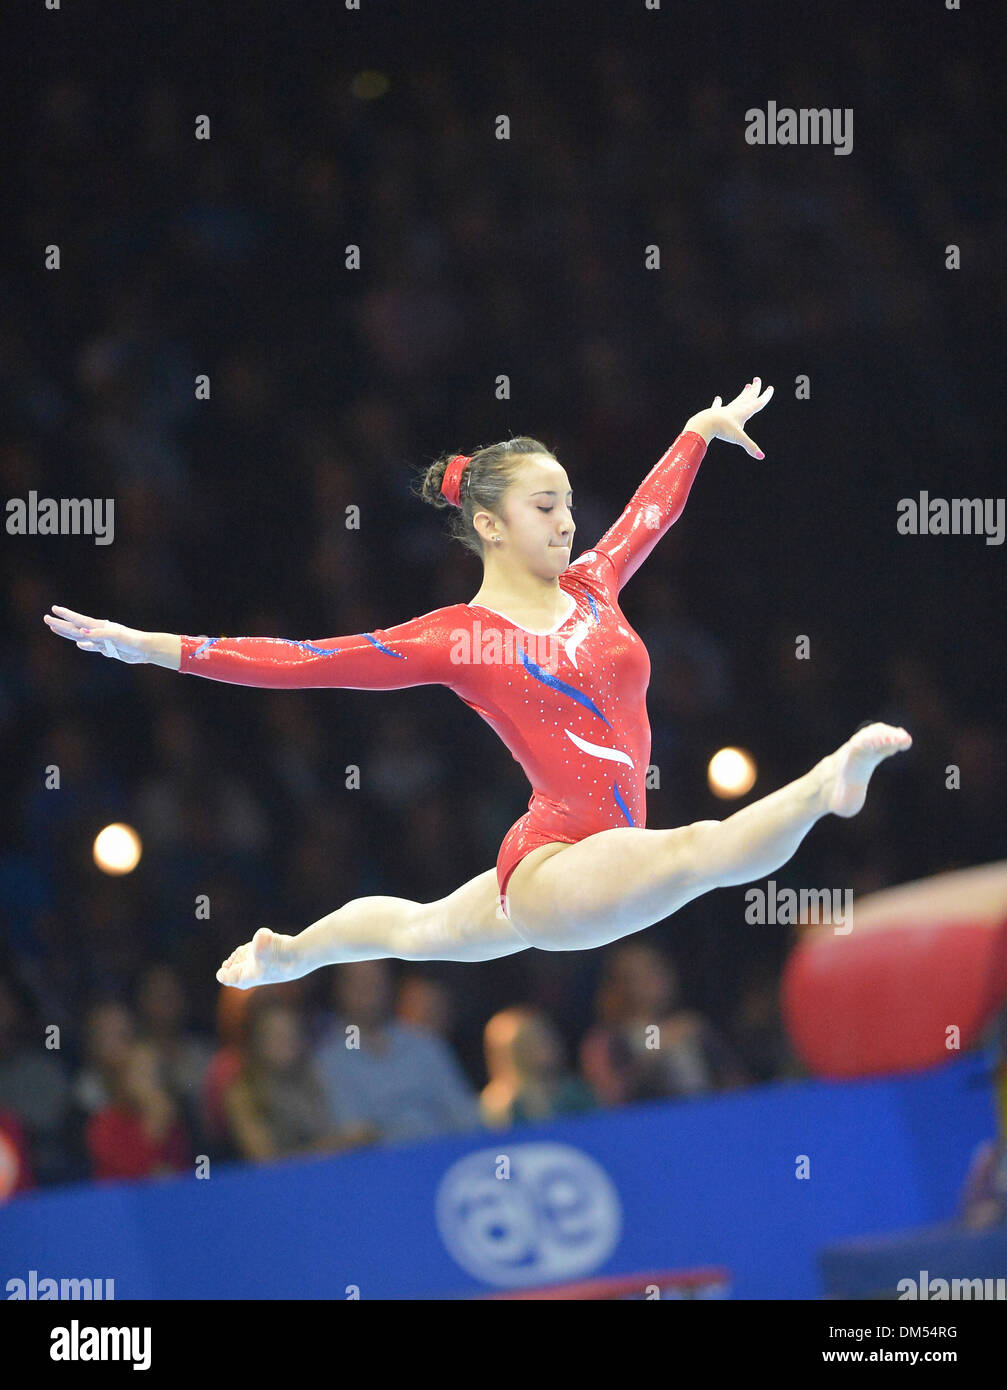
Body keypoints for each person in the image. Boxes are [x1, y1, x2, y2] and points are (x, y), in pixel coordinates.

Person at [44, 380, 912, 978]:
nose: (569, 523)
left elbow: (651, 513)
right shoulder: (461, 638)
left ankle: (294, 951)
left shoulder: (591, 584)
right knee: (695, 854)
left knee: (416, 928)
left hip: (564, 862)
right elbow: (304, 663)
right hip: (559, 863)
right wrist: (153, 645)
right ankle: (819, 789)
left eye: (569, 503)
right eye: (545, 508)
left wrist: (694, 432)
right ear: (489, 525)